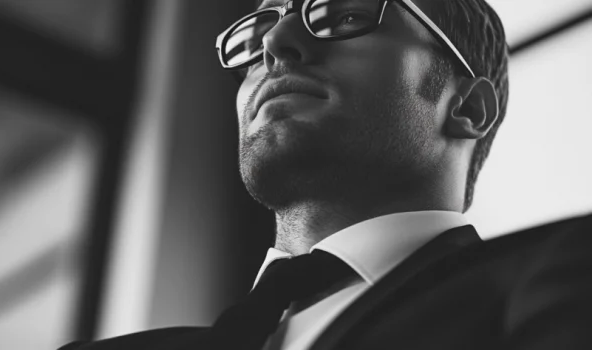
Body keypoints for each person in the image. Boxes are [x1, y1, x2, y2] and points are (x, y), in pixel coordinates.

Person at [61, 0, 592, 349]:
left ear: (469, 109)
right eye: (257, 34)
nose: (274, 45)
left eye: (343, 16)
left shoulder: (566, 281)